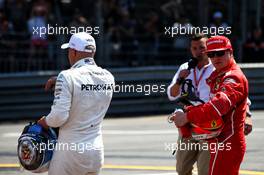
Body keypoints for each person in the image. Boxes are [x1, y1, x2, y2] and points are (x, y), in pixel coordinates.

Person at [38, 32, 115, 175]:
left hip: (69, 153)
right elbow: (88, 86)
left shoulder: (67, 76)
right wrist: (61, 80)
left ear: (73, 52)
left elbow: (58, 117)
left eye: (68, 51)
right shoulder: (109, 77)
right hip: (96, 152)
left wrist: (44, 122)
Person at [171, 35, 249, 175]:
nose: (216, 57)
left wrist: (188, 116)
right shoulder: (219, 75)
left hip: (226, 142)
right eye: (212, 54)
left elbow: (218, 106)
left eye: (220, 53)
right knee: (182, 168)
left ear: (230, 52)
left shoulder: (232, 77)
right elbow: (172, 93)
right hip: (213, 136)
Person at [167, 33, 212, 175]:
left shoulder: (217, 66)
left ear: (208, 48)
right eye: (194, 48)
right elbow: (171, 95)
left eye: (201, 47)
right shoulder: (185, 67)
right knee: (182, 169)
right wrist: (180, 79)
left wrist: (247, 115)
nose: (198, 51)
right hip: (188, 121)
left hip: (209, 123)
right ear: (190, 50)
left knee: (205, 171)